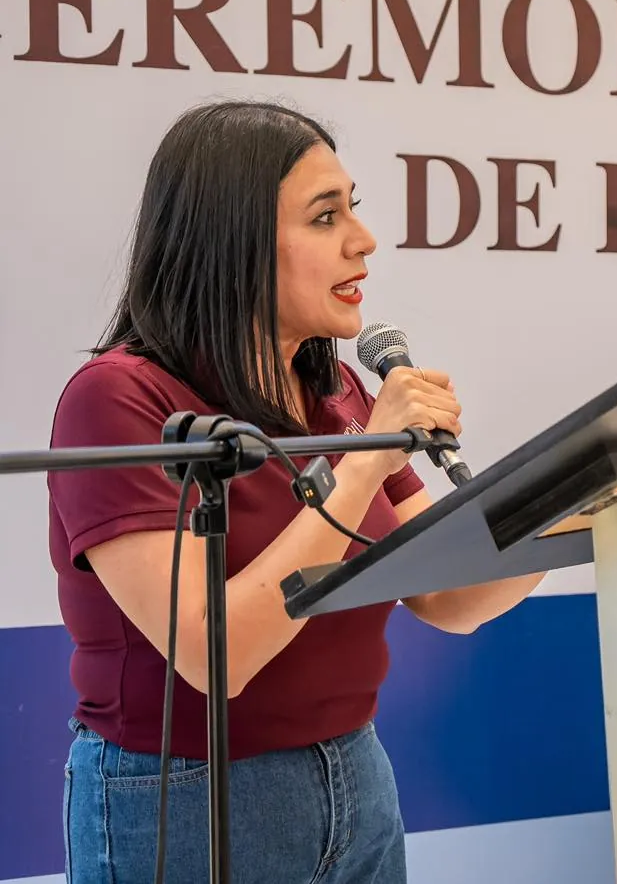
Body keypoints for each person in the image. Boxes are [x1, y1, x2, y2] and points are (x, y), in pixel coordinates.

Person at [46, 100, 545, 883]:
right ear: (232, 241)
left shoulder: (338, 390)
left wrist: (582, 497)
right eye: (325, 217)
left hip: (356, 774)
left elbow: (451, 596)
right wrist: (366, 464)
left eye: (353, 209)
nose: (363, 240)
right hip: (187, 795)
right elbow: (215, 654)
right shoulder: (117, 399)